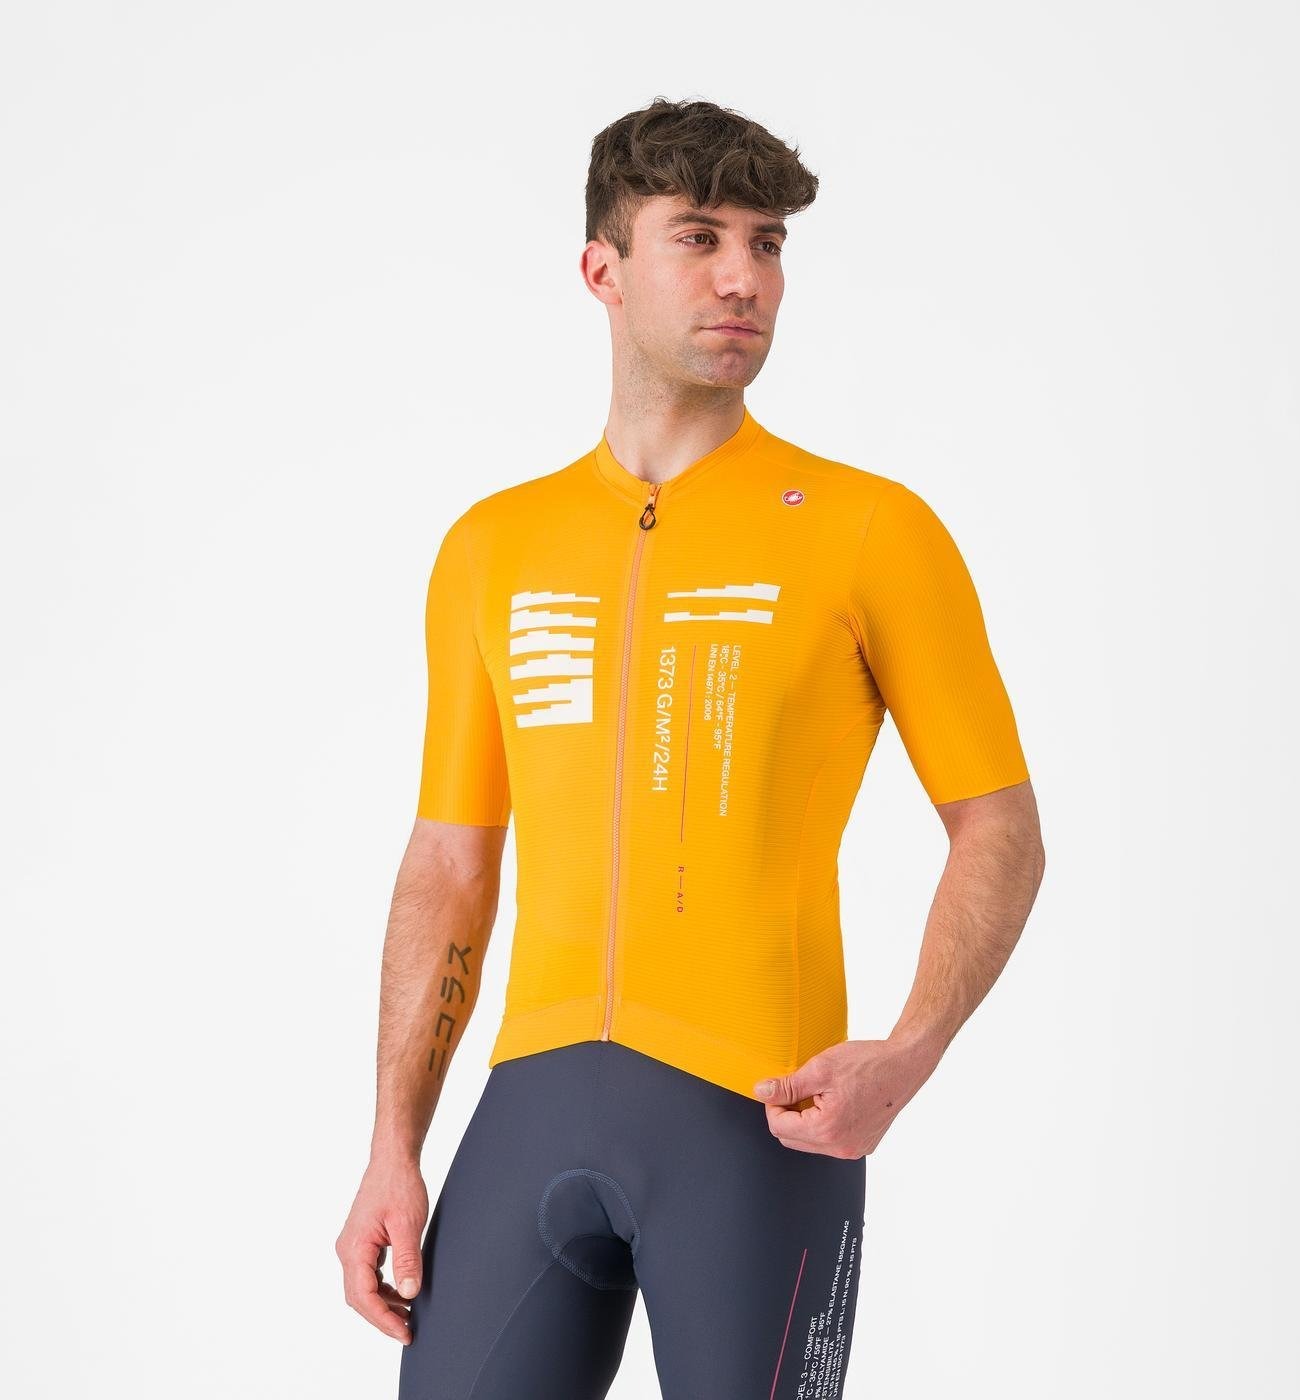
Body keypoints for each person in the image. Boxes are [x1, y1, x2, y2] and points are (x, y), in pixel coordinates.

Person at [335, 95, 1045, 1399]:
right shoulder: (493, 548)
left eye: (767, 245)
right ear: (601, 269)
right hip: (529, 1108)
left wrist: (907, 1054)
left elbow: (998, 825)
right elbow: (449, 861)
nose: (744, 279)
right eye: (700, 237)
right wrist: (393, 1144)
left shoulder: (869, 531)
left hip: (758, 1123)